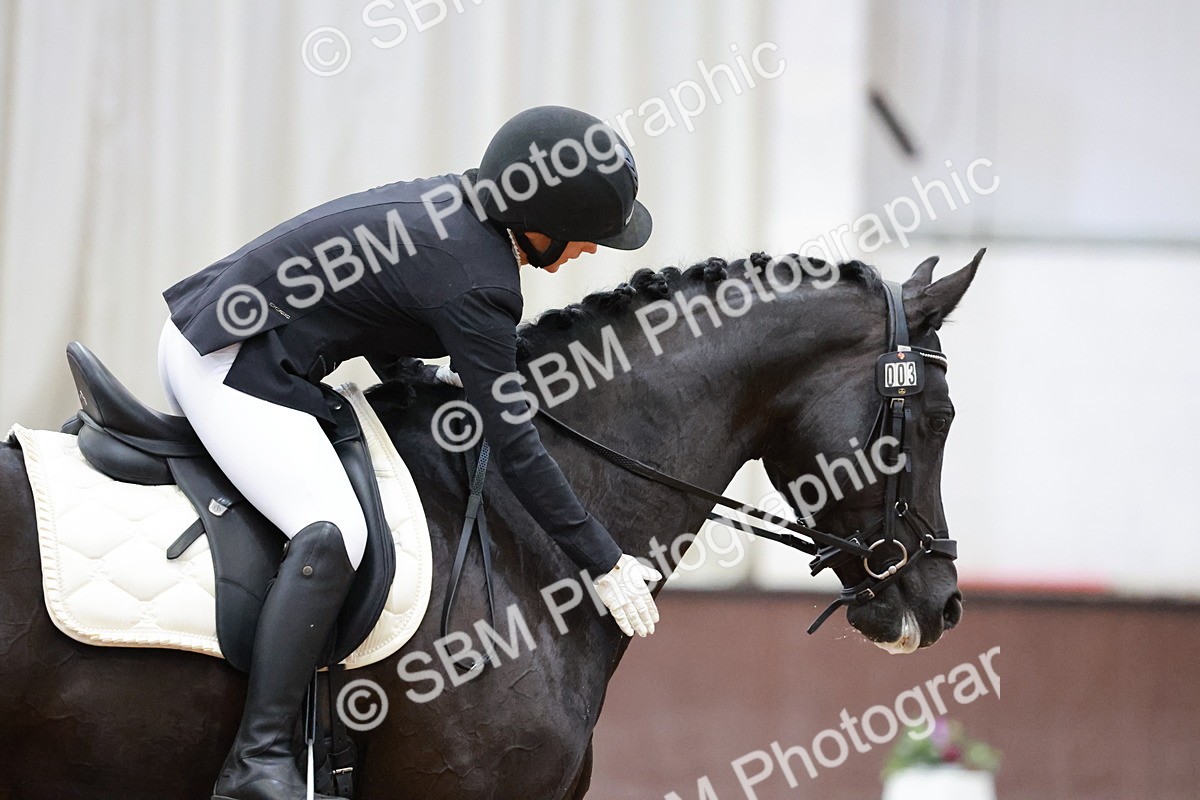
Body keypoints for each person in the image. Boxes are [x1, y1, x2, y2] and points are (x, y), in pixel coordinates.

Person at [157, 105, 663, 800]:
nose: (592, 252)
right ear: (539, 223)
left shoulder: (453, 208)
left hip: (234, 334)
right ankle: (258, 757)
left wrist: (413, 376)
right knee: (335, 531)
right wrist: (601, 560)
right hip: (227, 367)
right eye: (585, 237)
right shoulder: (480, 278)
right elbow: (513, 443)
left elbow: (377, 297)